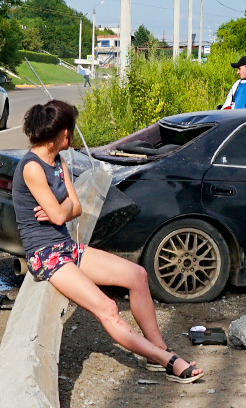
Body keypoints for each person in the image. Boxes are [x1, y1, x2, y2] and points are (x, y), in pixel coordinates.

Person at [13, 100, 202, 383]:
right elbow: (59, 213)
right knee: (108, 308)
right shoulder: (32, 167)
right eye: (72, 131)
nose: (73, 136)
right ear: (64, 134)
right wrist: (60, 210)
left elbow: (72, 209)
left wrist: (59, 209)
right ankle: (169, 361)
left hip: (65, 247)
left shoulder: (58, 161)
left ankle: (157, 349)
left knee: (137, 275)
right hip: (45, 256)